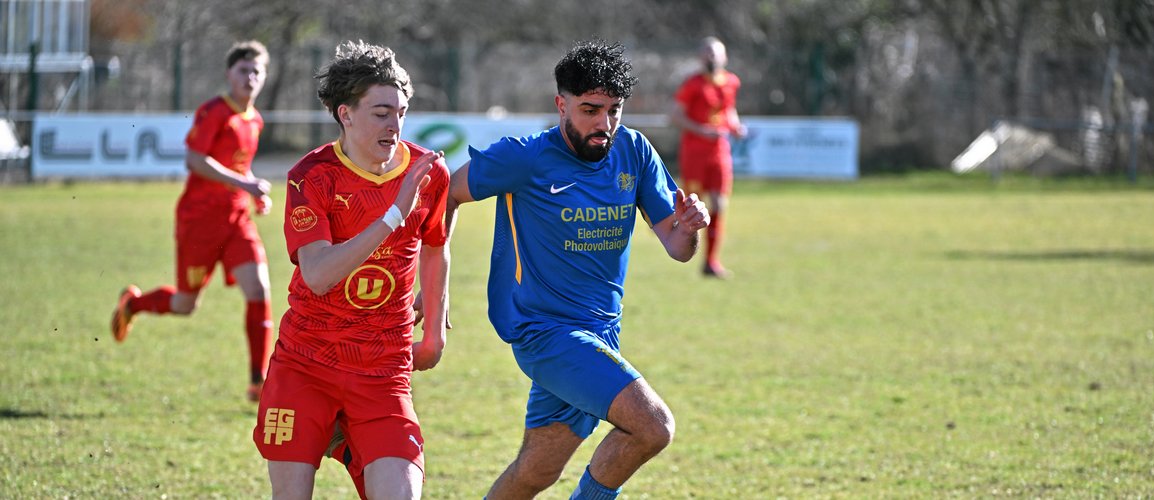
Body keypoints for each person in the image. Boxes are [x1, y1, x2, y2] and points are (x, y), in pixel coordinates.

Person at [446, 40, 710, 500]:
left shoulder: (634, 151)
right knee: (652, 427)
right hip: (544, 333)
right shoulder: (524, 157)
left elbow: (676, 246)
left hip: (601, 334)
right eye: (590, 109)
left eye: (614, 110)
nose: (604, 124)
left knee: (535, 472)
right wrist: (434, 286)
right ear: (561, 104)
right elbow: (447, 193)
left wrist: (688, 229)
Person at [252, 40, 450, 500]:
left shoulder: (427, 173)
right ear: (346, 114)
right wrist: (392, 216)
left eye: (401, 112)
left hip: (382, 371)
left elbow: (436, 246)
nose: (395, 125)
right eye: (381, 113)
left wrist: (436, 330)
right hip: (306, 364)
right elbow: (318, 274)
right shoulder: (312, 175)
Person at [110, 40, 275, 401]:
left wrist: (253, 193)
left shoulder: (255, 119)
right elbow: (195, 160)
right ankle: (133, 304)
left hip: (236, 221)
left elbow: (240, 165)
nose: (250, 77)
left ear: (264, 76)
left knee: (260, 290)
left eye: (256, 71)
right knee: (186, 304)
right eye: (243, 70)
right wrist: (244, 182)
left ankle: (258, 379)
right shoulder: (214, 111)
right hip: (199, 222)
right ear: (229, 74)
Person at [670, 36, 747, 279]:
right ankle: (677, 243)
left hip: (719, 153)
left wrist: (735, 127)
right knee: (693, 205)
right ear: (700, 57)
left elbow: (729, 111)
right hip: (694, 153)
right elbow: (674, 116)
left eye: (715, 53)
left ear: (725, 57)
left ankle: (711, 262)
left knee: (719, 205)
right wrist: (702, 130)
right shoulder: (692, 84)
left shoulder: (732, 82)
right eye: (707, 52)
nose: (711, 57)